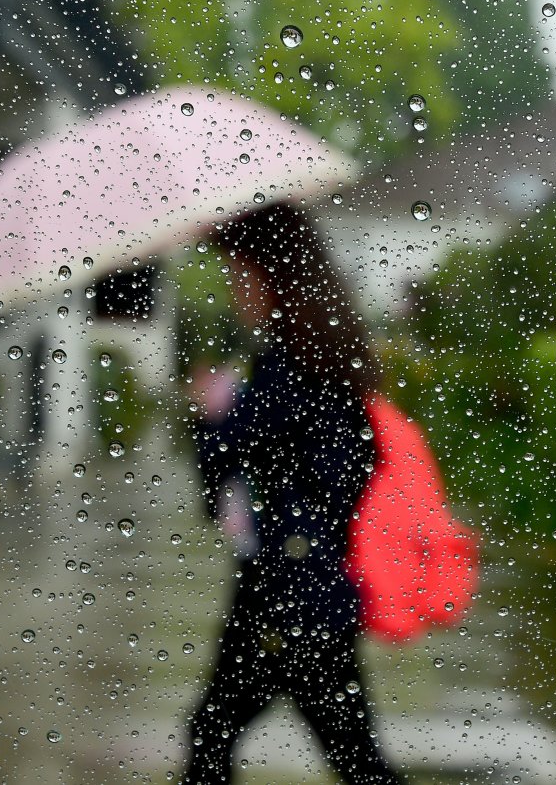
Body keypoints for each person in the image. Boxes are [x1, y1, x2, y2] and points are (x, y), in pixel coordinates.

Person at [181, 202, 403, 785]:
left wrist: (211, 418)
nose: (235, 290)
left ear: (270, 274)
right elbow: (347, 466)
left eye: (239, 274)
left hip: (292, 593)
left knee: (222, 736)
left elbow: (231, 462)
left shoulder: (291, 365)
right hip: (301, 584)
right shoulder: (318, 353)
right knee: (221, 734)